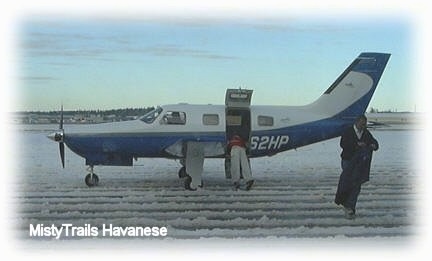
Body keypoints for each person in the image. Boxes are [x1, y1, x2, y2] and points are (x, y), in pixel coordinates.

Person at [335, 115, 378, 219]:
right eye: (362, 124)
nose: (364, 126)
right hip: (348, 161)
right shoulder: (348, 131)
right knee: (347, 183)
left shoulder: (366, 133)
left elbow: (375, 143)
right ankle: (346, 203)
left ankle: (350, 207)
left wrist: (373, 146)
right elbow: (343, 144)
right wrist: (356, 145)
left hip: (360, 163)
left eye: (365, 124)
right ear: (357, 122)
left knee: (356, 185)